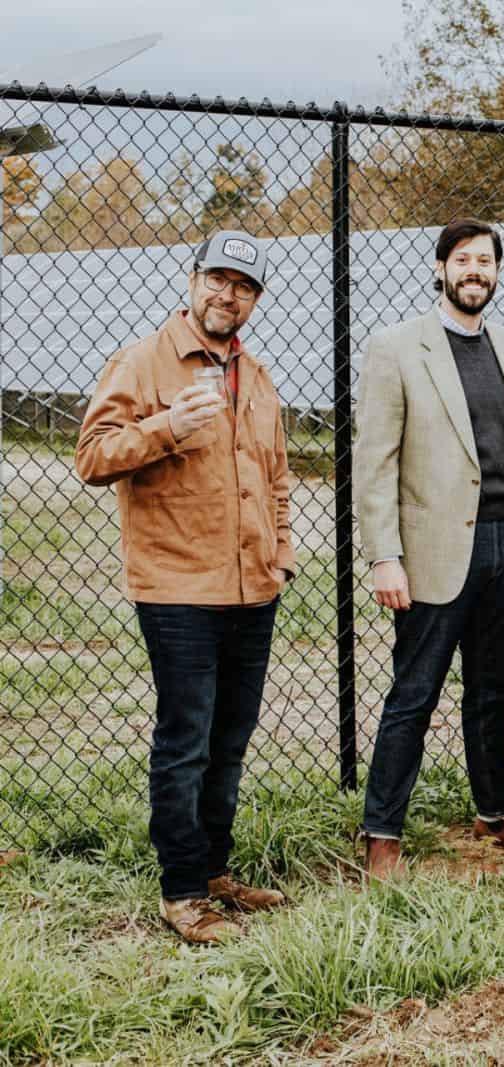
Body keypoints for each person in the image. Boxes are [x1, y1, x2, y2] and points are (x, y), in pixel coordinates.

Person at [75, 230, 293, 942]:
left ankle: (214, 869)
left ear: (255, 300)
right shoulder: (143, 362)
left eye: (245, 286)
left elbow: (278, 478)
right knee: (186, 740)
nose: (228, 295)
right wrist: (166, 426)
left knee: (230, 738)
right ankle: (182, 891)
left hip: (251, 588)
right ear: (191, 277)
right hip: (177, 590)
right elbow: (93, 455)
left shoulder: (256, 377)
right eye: (218, 279)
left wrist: (280, 555)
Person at [353, 218, 504, 879]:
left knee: (493, 690)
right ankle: (381, 832)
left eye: (486, 261)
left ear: (497, 274)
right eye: (464, 259)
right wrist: (383, 555)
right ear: (441, 268)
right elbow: (374, 460)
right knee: (414, 691)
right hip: (435, 548)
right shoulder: (396, 348)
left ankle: (496, 811)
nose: (475, 270)